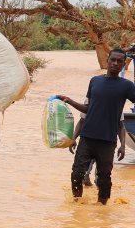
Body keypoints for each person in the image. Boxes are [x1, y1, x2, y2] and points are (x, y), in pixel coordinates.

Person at [57, 48, 135, 203]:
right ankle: (77, 204)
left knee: (104, 179)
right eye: (113, 59)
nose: (115, 63)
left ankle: (102, 209)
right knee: (77, 174)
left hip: (108, 141)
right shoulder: (95, 81)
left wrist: (122, 145)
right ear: (107, 60)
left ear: (123, 64)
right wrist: (70, 102)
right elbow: (87, 110)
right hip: (87, 138)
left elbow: (121, 123)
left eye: (120, 61)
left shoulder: (127, 86)